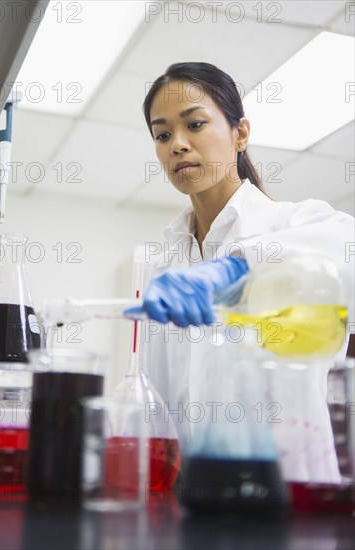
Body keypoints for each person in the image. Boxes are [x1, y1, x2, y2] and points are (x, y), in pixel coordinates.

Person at [127, 62, 355, 482]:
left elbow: (346, 247)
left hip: (290, 492)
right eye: (162, 134)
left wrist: (236, 267)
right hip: (191, 500)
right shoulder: (165, 271)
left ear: (240, 134)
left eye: (194, 124)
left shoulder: (293, 224)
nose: (177, 144)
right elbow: (155, 401)